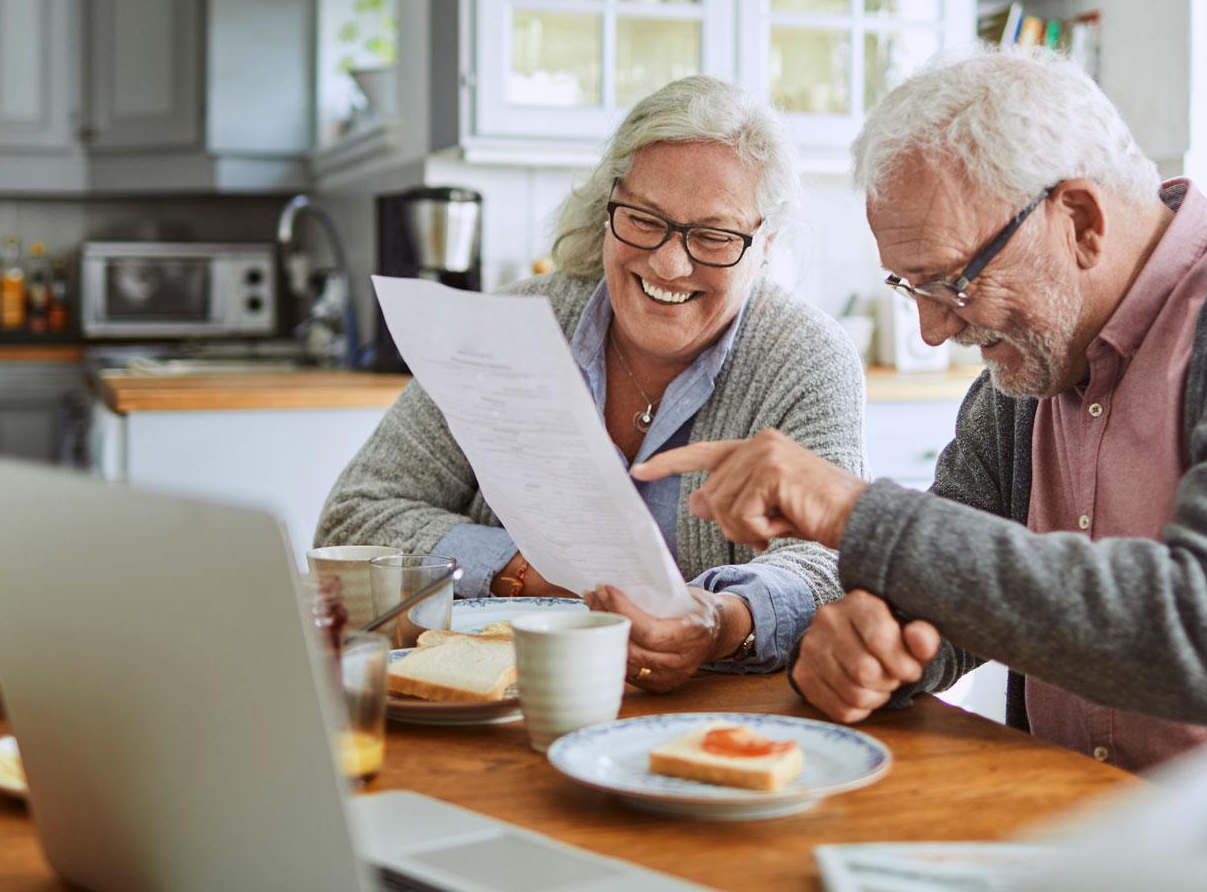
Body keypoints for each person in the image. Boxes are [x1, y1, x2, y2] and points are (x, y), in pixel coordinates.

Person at [634, 50, 1207, 771]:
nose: (933, 329)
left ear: (1080, 219)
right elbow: (941, 599)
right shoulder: (1027, 371)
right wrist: (872, 644)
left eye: (952, 281)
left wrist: (857, 512)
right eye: (910, 287)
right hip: (1072, 828)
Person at [317, 75, 868, 689]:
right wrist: (526, 572)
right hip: (499, 703)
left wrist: (720, 620)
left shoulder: (807, 356)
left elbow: (831, 561)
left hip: (719, 715)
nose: (668, 263)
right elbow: (352, 522)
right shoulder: (508, 328)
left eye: (713, 236)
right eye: (643, 218)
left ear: (765, 244)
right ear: (609, 207)